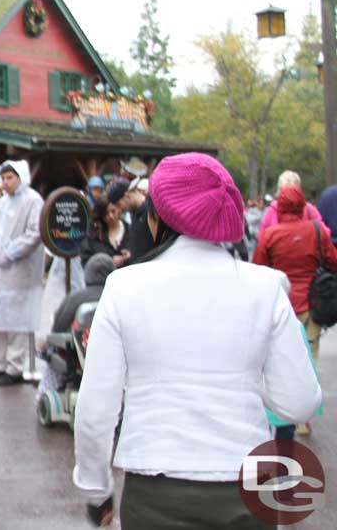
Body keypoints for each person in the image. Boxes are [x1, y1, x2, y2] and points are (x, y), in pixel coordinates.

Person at [73, 153, 322, 529]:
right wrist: (249, 381)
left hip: (155, 484)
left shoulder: (124, 287)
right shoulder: (265, 287)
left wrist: (96, 489)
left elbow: (96, 410)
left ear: (156, 218)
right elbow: (300, 401)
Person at [252, 184, 337, 369]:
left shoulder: (269, 235)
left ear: (279, 206)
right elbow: (333, 262)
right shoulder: (317, 231)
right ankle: (312, 395)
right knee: (310, 357)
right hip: (311, 304)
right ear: (303, 205)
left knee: (283, 358)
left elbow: (258, 271)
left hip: (280, 304)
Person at [0, 160, 44, 386]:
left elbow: (35, 233)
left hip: (20, 271)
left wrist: (11, 252)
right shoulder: (2, 202)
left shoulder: (33, 201)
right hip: (0, 272)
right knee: (0, 319)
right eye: (3, 178)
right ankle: (0, 364)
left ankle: (14, 367)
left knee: (17, 321)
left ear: (21, 177)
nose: (6, 182)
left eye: (10, 178)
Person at [51, 253, 114, 334]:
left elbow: (58, 328)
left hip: (78, 345)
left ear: (87, 272)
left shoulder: (74, 298)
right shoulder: (120, 298)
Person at [258, 170, 330, 236]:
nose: (289, 196)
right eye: (285, 192)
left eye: (293, 191)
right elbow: (263, 237)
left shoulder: (309, 209)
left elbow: (324, 233)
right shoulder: (272, 210)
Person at [81, 197, 130, 267]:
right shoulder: (94, 235)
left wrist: (130, 256)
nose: (111, 216)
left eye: (113, 211)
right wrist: (109, 261)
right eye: (106, 213)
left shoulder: (130, 230)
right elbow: (86, 262)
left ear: (119, 209)